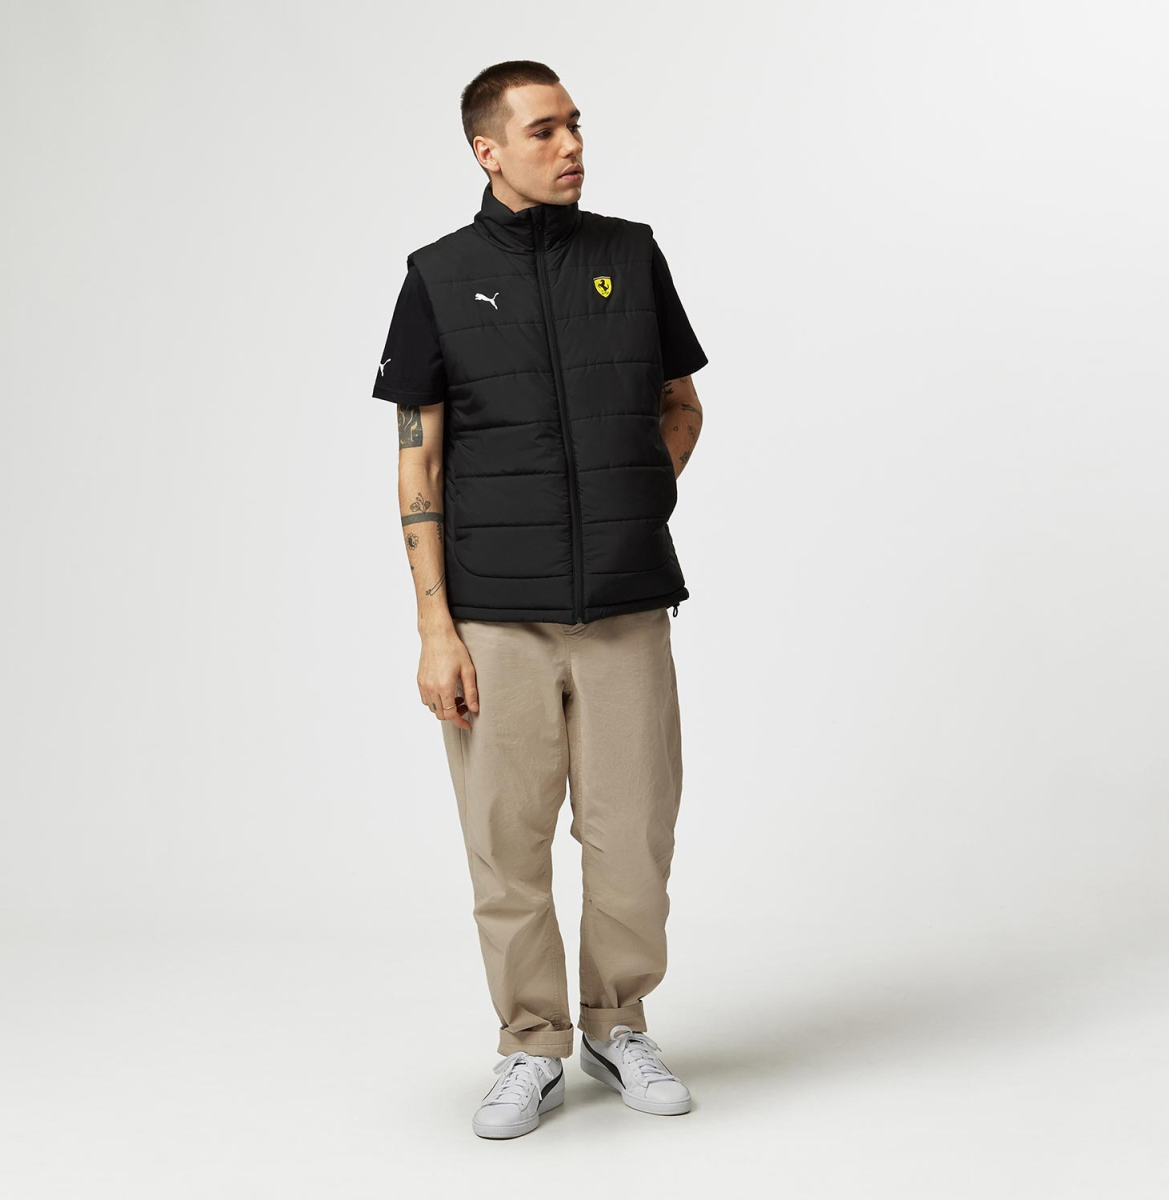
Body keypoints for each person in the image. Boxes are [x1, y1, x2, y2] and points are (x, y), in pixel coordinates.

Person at [372, 60, 708, 1139]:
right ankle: (530, 1044)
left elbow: (681, 405)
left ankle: (618, 1024)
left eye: (575, 126)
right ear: (488, 150)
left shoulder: (629, 255)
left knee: (633, 839)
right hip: (493, 620)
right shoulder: (438, 277)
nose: (571, 146)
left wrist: (634, 497)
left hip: (625, 606)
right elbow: (419, 461)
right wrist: (435, 628)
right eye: (544, 130)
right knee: (506, 846)